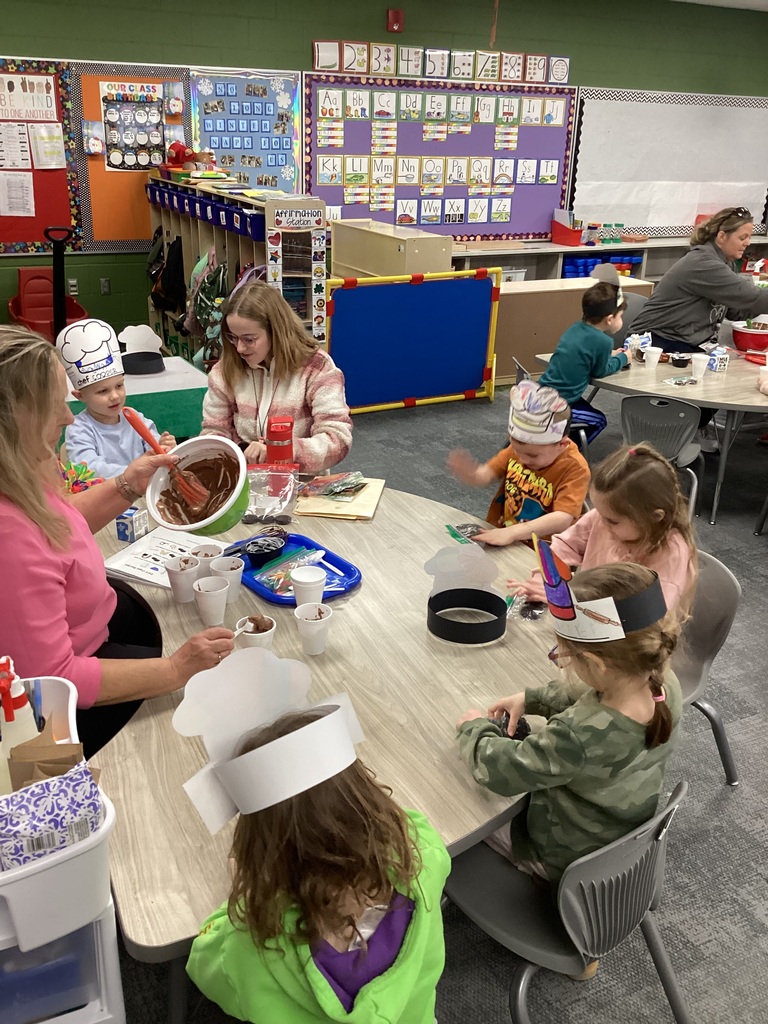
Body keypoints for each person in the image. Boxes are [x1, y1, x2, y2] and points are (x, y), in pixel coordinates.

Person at [0, 326, 234, 758]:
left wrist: (128, 483)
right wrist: (173, 670)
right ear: (18, 418)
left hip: (105, 627)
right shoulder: (7, 540)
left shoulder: (23, 469)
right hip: (73, 706)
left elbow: (61, 526)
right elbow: (55, 679)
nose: (69, 418)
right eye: (56, 406)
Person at [187, 709, 450, 1023]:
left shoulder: (255, 945)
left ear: (260, 851)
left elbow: (203, 963)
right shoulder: (424, 855)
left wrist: (246, 891)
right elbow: (409, 822)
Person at [456, 562, 682, 886]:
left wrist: (474, 728)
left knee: (467, 815)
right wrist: (532, 697)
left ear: (595, 663)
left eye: (567, 656)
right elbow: (588, 693)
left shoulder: (576, 738)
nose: (564, 662)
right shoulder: (665, 683)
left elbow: (498, 770)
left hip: (561, 856)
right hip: (617, 833)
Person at [630, 206, 768, 450]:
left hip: (685, 339)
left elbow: (737, 309)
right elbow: (751, 298)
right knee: (718, 376)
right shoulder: (703, 262)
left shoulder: (722, 263)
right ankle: (678, 433)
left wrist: (751, 300)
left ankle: (690, 428)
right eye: (742, 237)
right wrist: (754, 298)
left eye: (749, 237)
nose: (747, 243)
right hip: (657, 341)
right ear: (722, 236)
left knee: (723, 366)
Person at [508, 443, 698, 614]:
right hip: (587, 617)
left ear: (654, 517)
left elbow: (645, 618)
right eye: (599, 513)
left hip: (632, 644)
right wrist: (549, 578)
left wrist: (570, 599)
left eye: (612, 521)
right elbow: (566, 545)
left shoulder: (671, 554)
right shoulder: (602, 518)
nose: (601, 523)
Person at [201, 282, 352, 473]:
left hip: (302, 482)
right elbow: (215, 430)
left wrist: (281, 451)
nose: (239, 348)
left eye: (249, 339)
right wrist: (237, 451)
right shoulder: (224, 371)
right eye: (233, 337)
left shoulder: (317, 367)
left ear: (276, 332)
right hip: (245, 482)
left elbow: (337, 438)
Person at [448, 379, 590, 546]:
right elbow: (486, 475)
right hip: (507, 537)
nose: (522, 459)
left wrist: (513, 533)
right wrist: (472, 474)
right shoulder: (519, 451)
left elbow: (563, 518)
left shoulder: (575, 468)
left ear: (562, 445)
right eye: (516, 450)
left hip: (545, 552)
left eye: (533, 455)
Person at [58, 318, 176, 478]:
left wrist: (163, 446)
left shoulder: (134, 417)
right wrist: (133, 471)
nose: (114, 396)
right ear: (80, 396)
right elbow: (89, 467)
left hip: (142, 491)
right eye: (103, 391)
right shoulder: (79, 429)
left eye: (119, 386)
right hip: (105, 497)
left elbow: (153, 446)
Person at [538, 280, 630, 443]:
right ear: (609, 319)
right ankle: (564, 453)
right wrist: (623, 358)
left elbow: (584, 351)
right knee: (599, 420)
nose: (621, 321)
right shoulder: (603, 341)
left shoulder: (575, 328)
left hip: (542, 393)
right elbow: (600, 371)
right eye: (621, 316)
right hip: (560, 403)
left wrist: (610, 353)